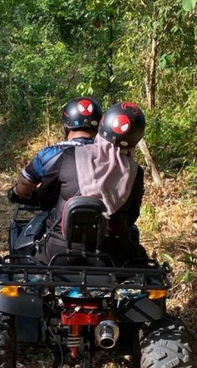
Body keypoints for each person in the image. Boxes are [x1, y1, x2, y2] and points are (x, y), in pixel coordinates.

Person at [36, 102, 148, 266]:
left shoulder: (69, 156)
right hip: (112, 255)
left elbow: (45, 198)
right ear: (136, 138)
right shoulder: (135, 172)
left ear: (102, 126)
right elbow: (131, 217)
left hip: (58, 251)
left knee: (30, 263)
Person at [9, 97, 103, 203]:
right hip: (106, 216)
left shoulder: (49, 154)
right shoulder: (112, 155)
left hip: (59, 217)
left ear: (66, 126)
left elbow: (23, 187)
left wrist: (14, 192)